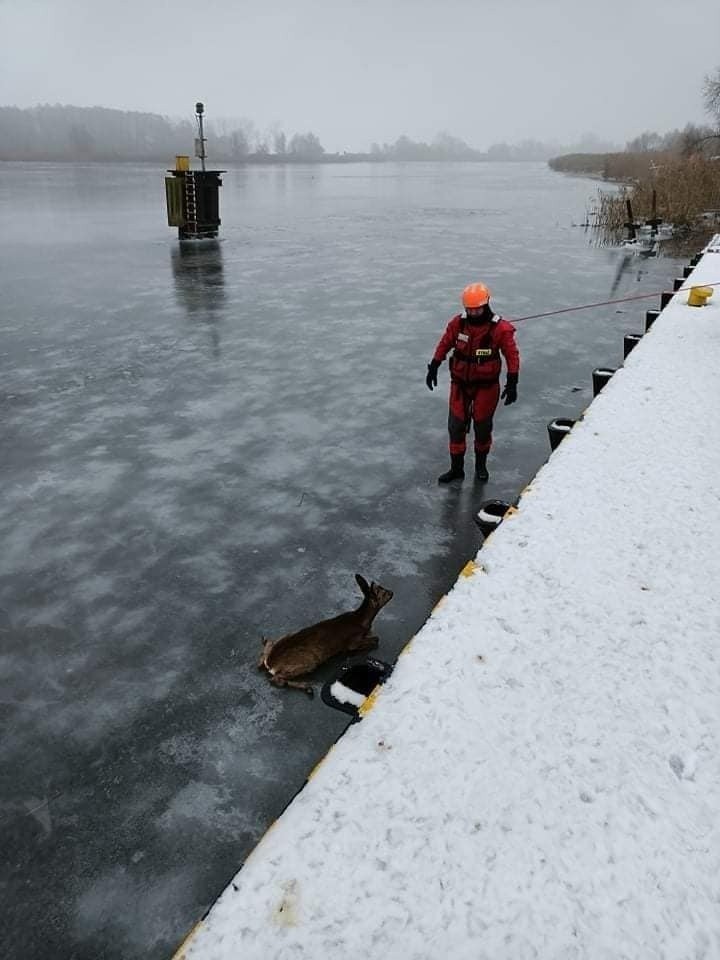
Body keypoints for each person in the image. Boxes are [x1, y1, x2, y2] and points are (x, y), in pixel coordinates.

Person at [426, 282, 519, 483]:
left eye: (477, 308)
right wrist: (434, 365)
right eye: (470, 309)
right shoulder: (457, 324)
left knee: (482, 426)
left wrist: (513, 380)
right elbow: (445, 343)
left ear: (486, 305)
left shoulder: (500, 329)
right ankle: (457, 469)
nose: (474, 312)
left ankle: (480, 466)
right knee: (456, 425)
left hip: (486, 387)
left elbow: (512, 355)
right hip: (459, 384)